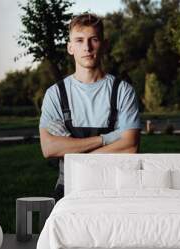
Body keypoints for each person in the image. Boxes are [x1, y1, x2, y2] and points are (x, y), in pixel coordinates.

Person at [39, 13, 141, 202]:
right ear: (70, 47)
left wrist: (77, 158)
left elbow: (130, 146)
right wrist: (107, 138)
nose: (87, 47)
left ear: (104, 44)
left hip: (115, 187)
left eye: (93, 39)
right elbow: (49, 147)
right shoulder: (55, 94)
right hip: (69, 188)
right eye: (79, 40)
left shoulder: (122, 91)